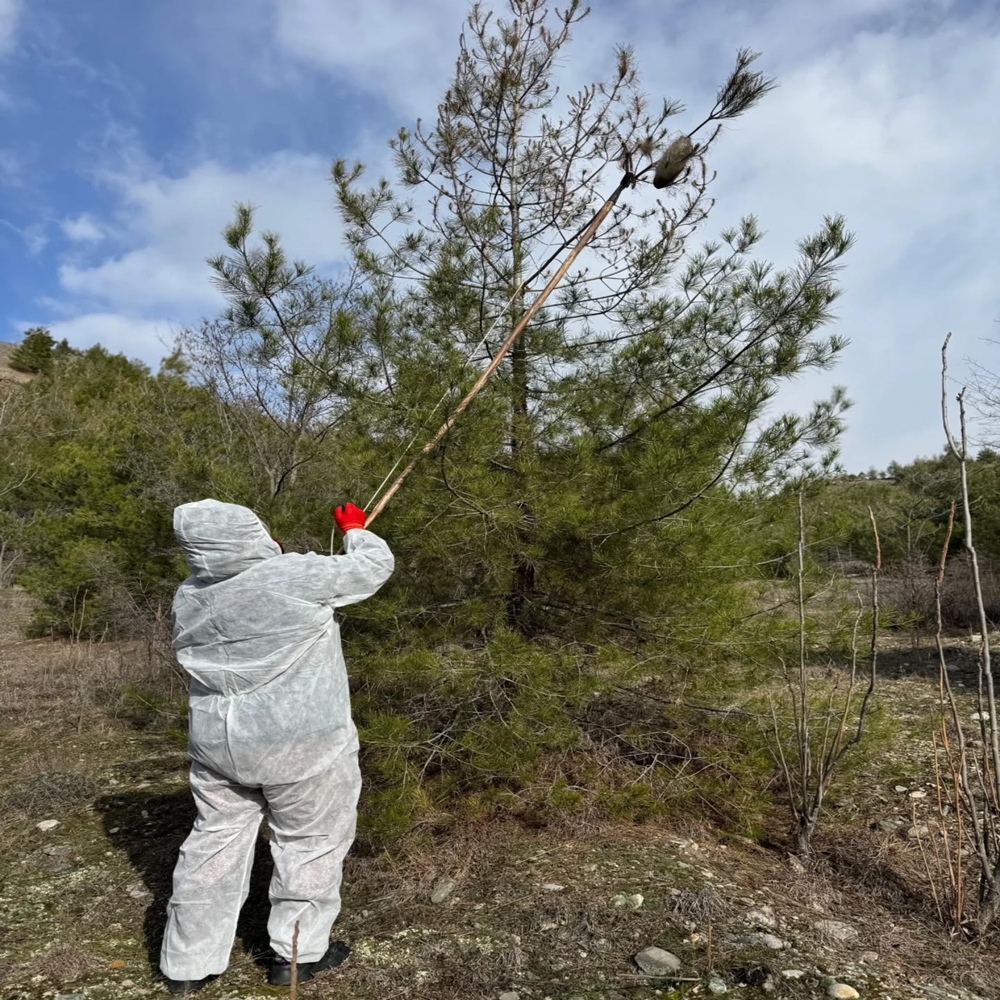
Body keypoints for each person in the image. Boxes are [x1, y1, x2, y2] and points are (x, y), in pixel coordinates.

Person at [159, 498, 394, 994]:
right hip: (301, 743)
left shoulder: (190, 594)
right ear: (251, 534)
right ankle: (295, 955)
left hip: (218, 746)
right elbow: (373, 567)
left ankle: (187, 966)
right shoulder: (289, 574)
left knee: (212, 846)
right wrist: (355, 529)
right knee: (310, 843)